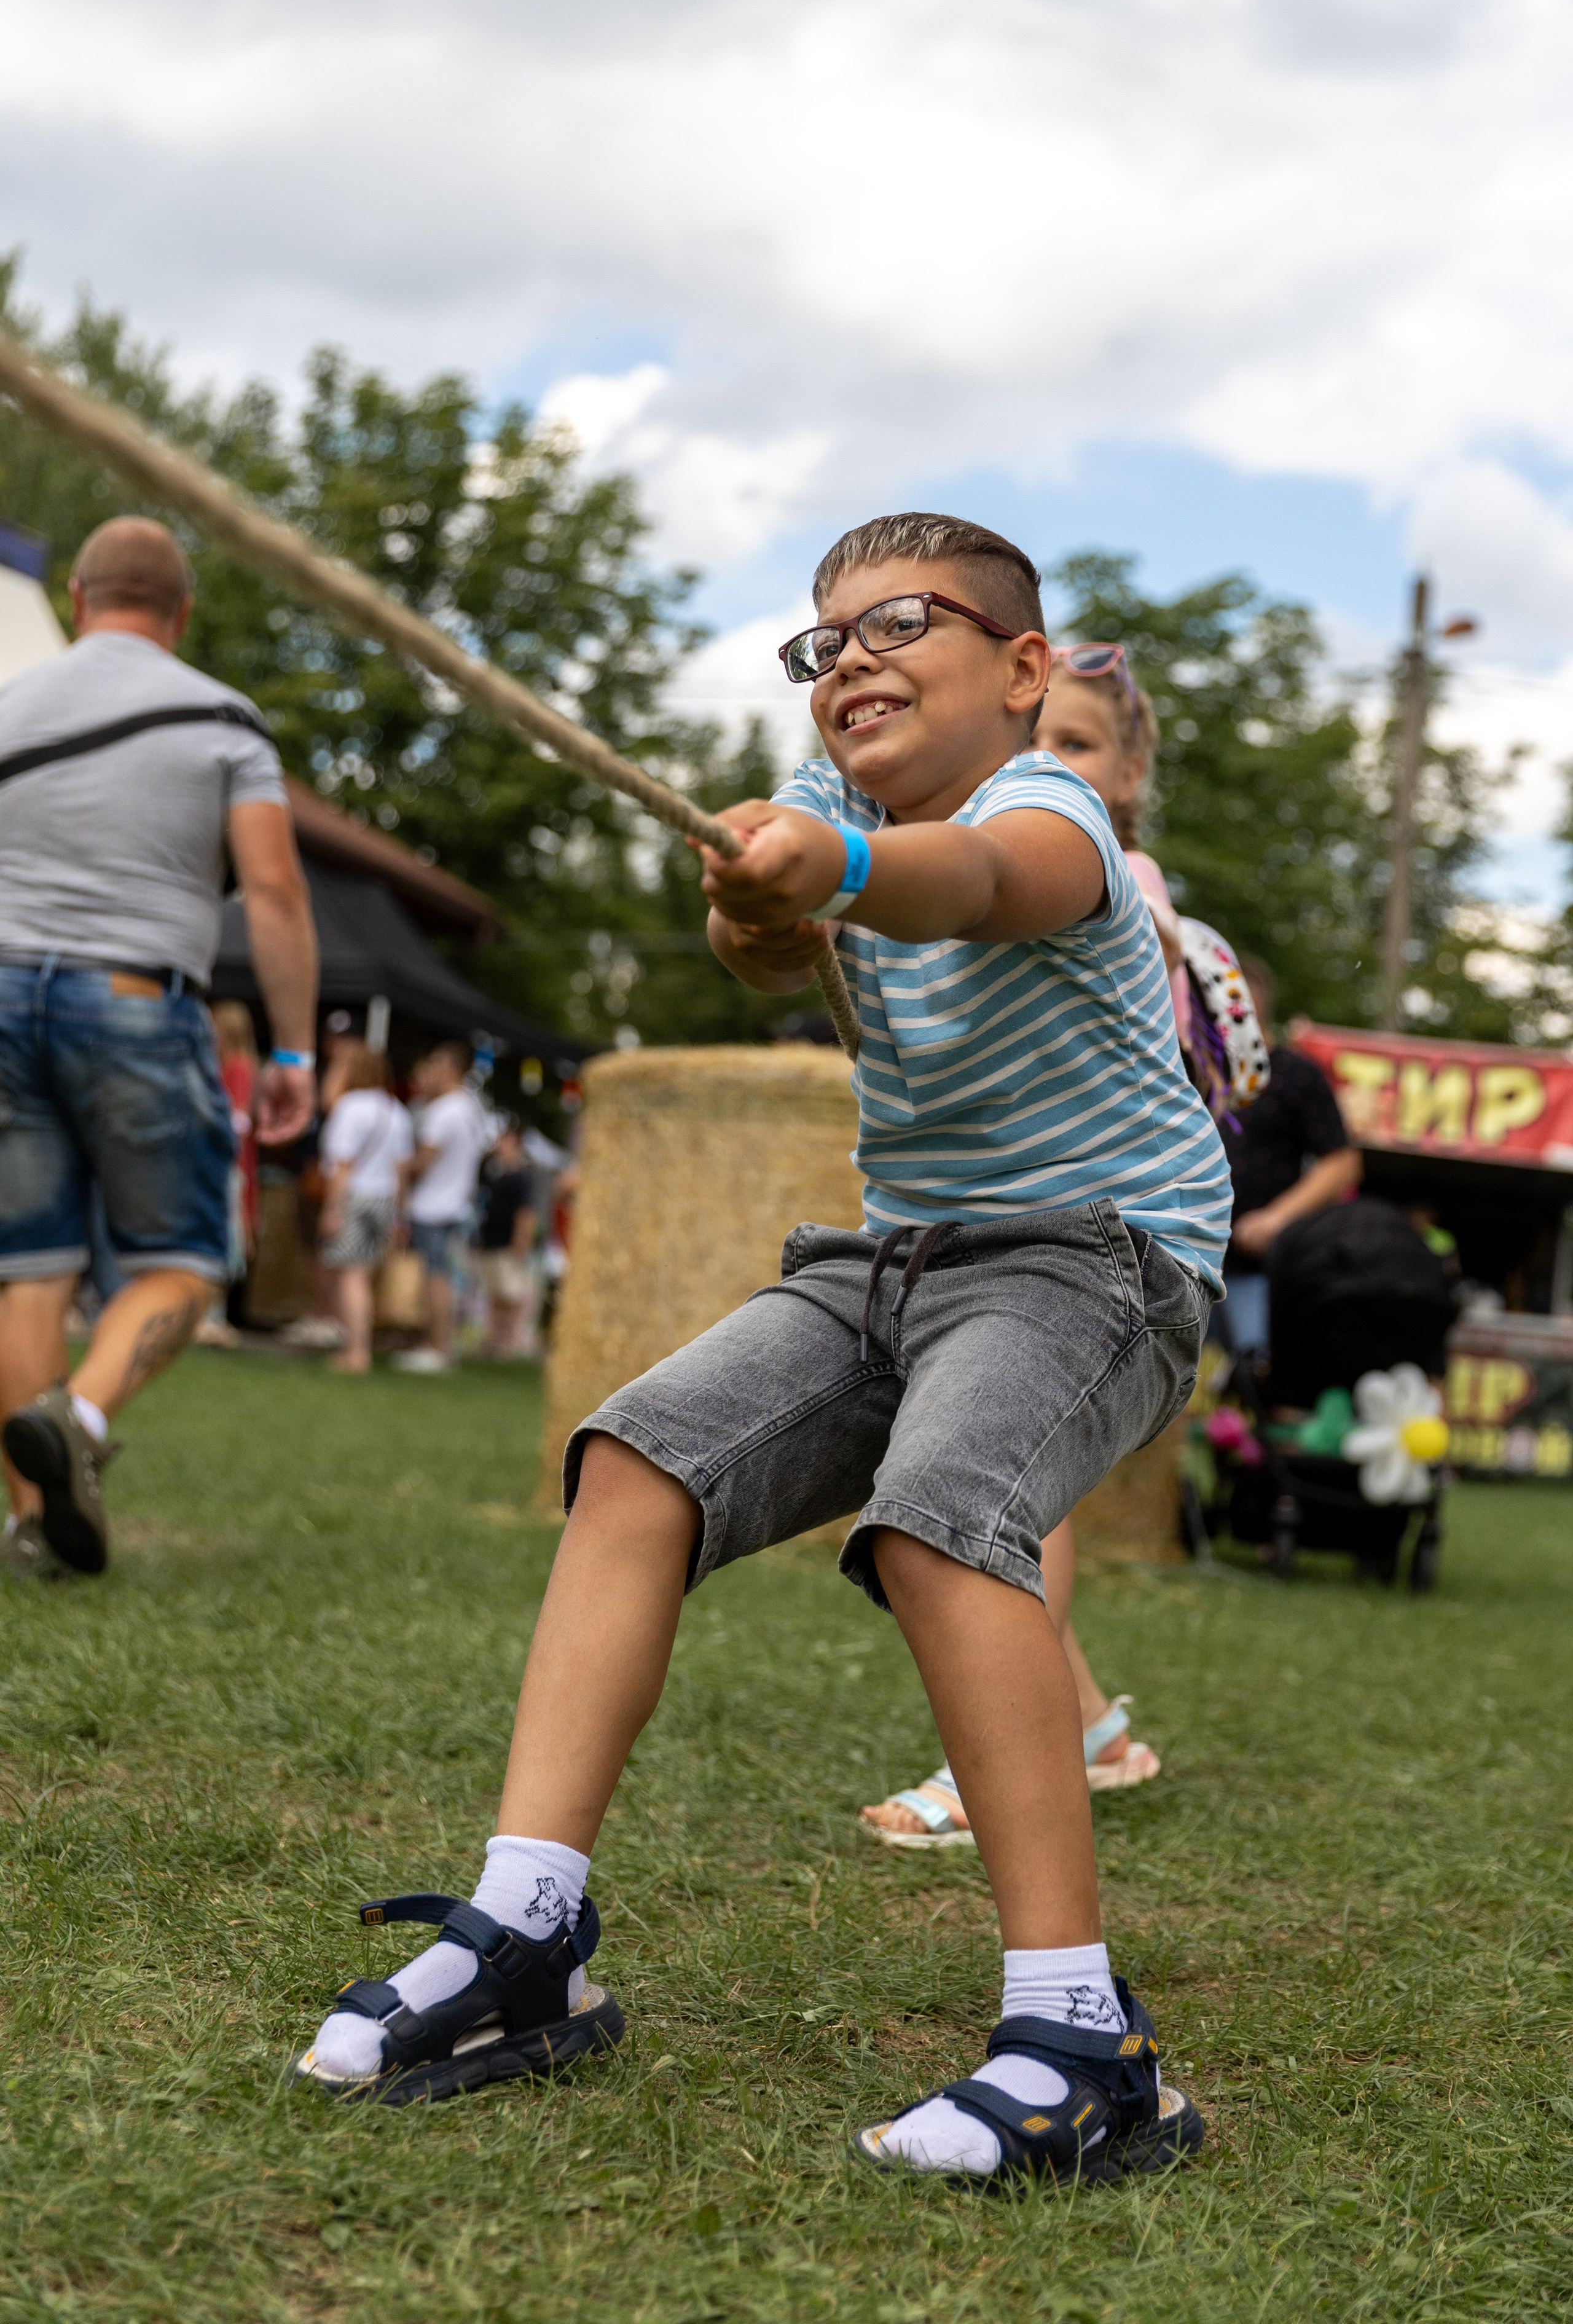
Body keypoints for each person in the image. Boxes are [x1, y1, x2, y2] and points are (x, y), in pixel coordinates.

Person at [298, 512, 1230, 2191]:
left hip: (1100, 1258)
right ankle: (527, 1930)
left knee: (940, 1520)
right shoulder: (827, 806)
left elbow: (984, 887)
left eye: (903, 621)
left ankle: (1083, 2043)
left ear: (1023, 669)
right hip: (897, 1258)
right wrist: (762, 906)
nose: (852, 656)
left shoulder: (1052, 809)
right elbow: (764, 941)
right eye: (826, 640)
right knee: (635, 1461)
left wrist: (837, 872)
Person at [860, 643, 1180, 1843]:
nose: (1043, 765)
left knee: (997, 1498)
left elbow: (1116, 944)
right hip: (1005, 1230)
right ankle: (1089, 1729)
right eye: (1031, 743)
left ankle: (986, 1759)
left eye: (1075, 746)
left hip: (1085, 1250)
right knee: (1014, 1489)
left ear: (1129, 776)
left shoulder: (1117, 876)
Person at [0, 517, 317, 1580]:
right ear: (180, 615)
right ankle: (82, 1420)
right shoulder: (222, 718)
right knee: (183, 1264)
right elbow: (273, 892)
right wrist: (292, 1054)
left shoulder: (8, 705)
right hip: (135, 997)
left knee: (29, 1272)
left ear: (77, 601)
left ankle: (38, 1523)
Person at [1220, 954, 1361, 1358]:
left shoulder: (1295, 1074)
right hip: (1180, 1259)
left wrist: (1276, 1219)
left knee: (1256, 1371)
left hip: (1253, 1270)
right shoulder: (1189, 1069)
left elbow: (1342, 1164)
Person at [316, 1042, 414, 1375]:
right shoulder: (397, 1110)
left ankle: (356, 1352)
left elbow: (341, 1165)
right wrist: (400, 1215)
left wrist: (332, 1209)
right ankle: (358, 1344)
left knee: (350, 1275)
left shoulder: (350, 1106)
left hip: (354, 1196)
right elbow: (402, 1170)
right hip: (384, 1199)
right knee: (363, 1275)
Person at [394, 1042, 490, 1374]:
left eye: (434, 1065)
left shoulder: (444, 1110)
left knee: (435, 1277)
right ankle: (438, 1345)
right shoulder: (471, 1108)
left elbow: (423, 1162)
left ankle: (436, 1348)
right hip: (455, 1204)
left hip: (433, 1206)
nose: (429, 1072)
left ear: (450, 1068)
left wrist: (401, 1167)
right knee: (443, 1276)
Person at [194, 999, 262, 1349]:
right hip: (224, 1165)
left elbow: (237, 1122)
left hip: (226, 1167)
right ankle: (207, 1315)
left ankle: (212, 1316)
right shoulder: (230, 1067)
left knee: (224, 1235)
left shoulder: (239, 1068)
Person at [474, 1126, 539, 1360]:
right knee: (495, 1294)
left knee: (510, 1295)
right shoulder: (495, 1175)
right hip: (493, 1242)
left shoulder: (521, 1177)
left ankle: (508, 1341)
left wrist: (521, 1242)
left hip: (508, 1245)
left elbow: (526, 1213)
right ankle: (493, 1339)